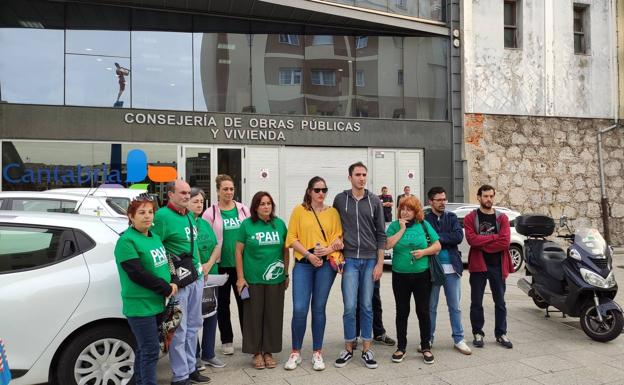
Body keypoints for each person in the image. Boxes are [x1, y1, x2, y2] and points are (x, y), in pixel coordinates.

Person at [114, 194, 177, 385]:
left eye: (150, 212)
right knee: (150, 350)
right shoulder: (126, 241)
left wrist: (173, 280)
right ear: (131, 216)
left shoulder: (155, 237)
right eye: (141, 212)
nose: (147, 216)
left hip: (158, 303)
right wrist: (165, 288)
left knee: (144, 349)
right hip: (140, 305)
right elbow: (136, 273)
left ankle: (140, 381)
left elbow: (167, 262)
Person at [152, 180, 211, 385]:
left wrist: (202, 268)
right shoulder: (162, 217)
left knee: (194, 325)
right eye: (183, 193)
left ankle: (190, 367)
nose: (187, 196)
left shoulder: (188, 216)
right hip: (178, 282)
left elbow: (193, 248)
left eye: (188, 193)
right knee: (179, 329)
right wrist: (167, 279)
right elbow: (156, 248)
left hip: (195, 277)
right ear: (170, 194)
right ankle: (180, 376)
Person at [284, 176, 343, 371]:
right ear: (309, 191)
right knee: (300, 308)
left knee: (319, 308)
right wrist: (309, 255)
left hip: (326, 265)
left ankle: (317, 352)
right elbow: (291, 238)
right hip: (304, 263)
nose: (321, 194)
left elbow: (338, 239)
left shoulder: (333, 212)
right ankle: (296, 352)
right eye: (317, 190)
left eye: (324, 190)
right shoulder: (299, 210)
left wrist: (327, 250)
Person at [333, 162, 386, 369]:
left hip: (370, 259)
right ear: (350, 177)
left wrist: (380, 263)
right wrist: (335, 253)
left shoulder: (374, 201)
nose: (361, 178)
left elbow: (381, 234)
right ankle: (348, 348)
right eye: (357, 174)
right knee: (349, 306)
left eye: (364, 174)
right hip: (350, 261)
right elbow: (333, 227)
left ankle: (366, 349)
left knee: (366, 305)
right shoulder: (340, 199)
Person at [235, 191, 289, 370]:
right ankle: (256, 352)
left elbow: (285, 251)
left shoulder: (279, 224)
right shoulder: (247, 225)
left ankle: (269, 351)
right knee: (253, 316)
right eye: (262, 204)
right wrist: (241, 277)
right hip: (253, 279)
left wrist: (286, 274)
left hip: (275, 279)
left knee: (273, 316)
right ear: (255, 207)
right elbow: (238, 252)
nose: (266, 206)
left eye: (268, 203)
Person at [386, 196, 441, 364]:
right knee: (402, 311)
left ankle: (425, 346)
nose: (405, 211)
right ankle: (401, 347)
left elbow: (437, 246)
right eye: (402, 208)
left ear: (415, 211)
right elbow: (387, 245)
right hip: (400, 275)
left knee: (423, 311)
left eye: (409, 209)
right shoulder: (395, 226)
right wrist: (401, 229)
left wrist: (423, 252)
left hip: (421, 275)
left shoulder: (423, 225)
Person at [203, 174, 250, 355]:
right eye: (225, 189)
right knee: (222, 304)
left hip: (241, 266)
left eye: (231, 189)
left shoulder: (244, 210)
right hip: (221, 267)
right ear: (218, 191)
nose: (229, 192)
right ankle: (227, 340)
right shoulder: (210, 213)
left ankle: (249, 338)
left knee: (244, 302)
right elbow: (206, 239)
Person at [465, 184, 514, 349]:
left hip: (498, 266)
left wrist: (484, 242)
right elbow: (472, 240)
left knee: (500, 302)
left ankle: (501, 334)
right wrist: (494, 237)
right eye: (485, 196)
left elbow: (505, 242)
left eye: (491, 196)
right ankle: (477, 332)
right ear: (479, 197)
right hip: (479, 265)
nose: (489, 199)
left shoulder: (502, 218)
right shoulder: (471, 218)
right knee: (476, 302)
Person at [425, 186, 472, 355]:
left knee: (455, 306)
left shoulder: (452, 217)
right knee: (431, 306)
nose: (443, 202)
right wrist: (445, 238)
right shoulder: (425, 220)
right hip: (432, 268)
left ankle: (459, 339)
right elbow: (425, 239)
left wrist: (437, 238)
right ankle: (428, 339)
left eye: (444, 199)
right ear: (431, 201)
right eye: (439, 200)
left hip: (452, 268)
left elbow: (458, 237)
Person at [189, 188, 226, 369]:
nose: (199, 204)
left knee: (211, 314)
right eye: (195, 201)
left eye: (201, 202)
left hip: (211, 275)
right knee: (194, 317)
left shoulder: (204, 223)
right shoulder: (185, 223)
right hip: (194, 277)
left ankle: (209, 354)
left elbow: (217, 246)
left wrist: (209, 264)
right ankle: (194, 357)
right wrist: (200, 268)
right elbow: (189, 248)